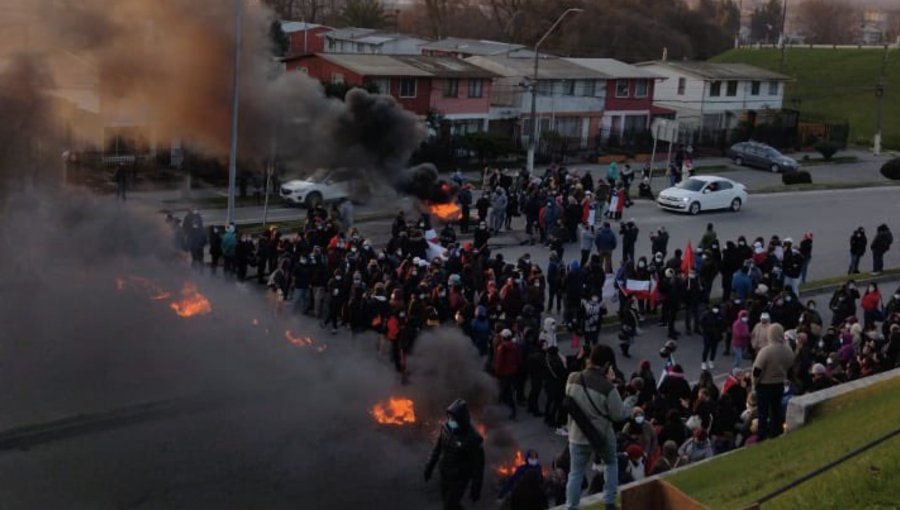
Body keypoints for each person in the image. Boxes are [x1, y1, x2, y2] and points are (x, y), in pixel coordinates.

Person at [564, 346, 630, 510]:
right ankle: (609, 501)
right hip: (601, 435)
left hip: (577, 433)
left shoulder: (572, 378)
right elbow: (618, 415)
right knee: (611, 463)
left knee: (576, 473)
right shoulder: (608, 388)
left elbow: (570, 399)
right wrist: (612, 385)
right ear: (607, 364)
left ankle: (571, 507)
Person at [425, 399, 485, 510]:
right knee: (450, 505)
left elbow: (478, 467)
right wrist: (429, 467)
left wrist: (476, 488)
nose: (450, 421)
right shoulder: (445, 429)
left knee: (448, 507)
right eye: (449, 417)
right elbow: (437, 449)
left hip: (459, 479)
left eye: (453, 419)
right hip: (445, 474)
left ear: (462, 420)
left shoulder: (473, 439)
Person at [752, 323, 794, 441]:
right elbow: (790, 366)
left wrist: (755, 383)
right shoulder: (788, 350)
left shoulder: (766, 351)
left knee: (763, 412)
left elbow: (757, 370)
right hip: (779, 383)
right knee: (776, 409)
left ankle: (762, 435)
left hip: (764, 385)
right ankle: (777, 431)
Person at [495, 329, 520, 419]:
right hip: (512, 373)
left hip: (503, 374)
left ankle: (497, 412)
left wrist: (497, 372)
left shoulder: (502, 347)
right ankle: (511, 411)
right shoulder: (514, 346)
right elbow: (517, 359)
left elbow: (499, 362)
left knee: (503, 392)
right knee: (508, 392)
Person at [700, 305, 727, 371]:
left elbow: (723, 324)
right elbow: (701, 323)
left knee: (714, 349)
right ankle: (703, 362)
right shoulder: (706, 314)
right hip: (707, 335)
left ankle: (711, 361)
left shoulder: (720, 315)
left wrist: (721, 332)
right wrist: (705, 330)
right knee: (706, 348)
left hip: (716, 335)